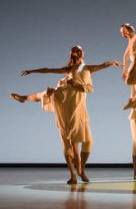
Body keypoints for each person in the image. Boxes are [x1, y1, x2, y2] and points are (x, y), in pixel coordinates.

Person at [10, 46, 120, 184]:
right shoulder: (69, 69)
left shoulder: (88, 68)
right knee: (68, 139)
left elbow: (103, 65)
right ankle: (74, 175)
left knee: (87, 142)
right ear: (72, 54)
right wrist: (32, 71)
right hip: (67, 101)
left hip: (79, 105)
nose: (79, 52)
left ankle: (81, 170)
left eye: (80, 50)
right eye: (75, 50)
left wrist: (113, 62)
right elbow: (48, 70)